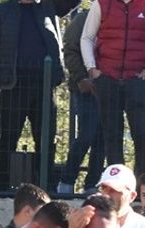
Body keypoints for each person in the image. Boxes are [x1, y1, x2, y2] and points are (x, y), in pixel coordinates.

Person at [0, 0, 69, 191]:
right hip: (12, 84)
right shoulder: (4, 9)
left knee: (46, 137)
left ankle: (46, 185)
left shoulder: (49, 7)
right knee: (8, 136)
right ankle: (1, 182)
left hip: (45, 84)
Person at [81, 0, 145, 173]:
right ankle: (117, 184)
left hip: (137, 79)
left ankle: (144, 184)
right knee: (112, 136)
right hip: (107, 78)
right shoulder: (101, 4)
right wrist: (92, 68)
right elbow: (87, 37)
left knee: (143, 135)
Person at [57, 6, 106, 194]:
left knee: (102, 138)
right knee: (87, 133)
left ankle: (92, 184)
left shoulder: (116, 17)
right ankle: (67, 180)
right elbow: (70, 50)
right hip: (85, 88)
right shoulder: (83, 18)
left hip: (109, 89)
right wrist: (80, 77)